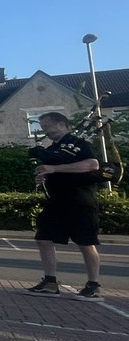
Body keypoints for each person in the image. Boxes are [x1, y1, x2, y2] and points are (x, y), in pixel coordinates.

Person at [26, 111, 104, 301]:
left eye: (46, 126)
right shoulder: (53, 149)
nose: (44, 131)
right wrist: (43, 176)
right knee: (43, 238)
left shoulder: (79, 144)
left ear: (60, 124)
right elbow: (52, 171)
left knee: (86, 243)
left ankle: (93, 285)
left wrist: (55, 168)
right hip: (57, 201)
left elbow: (92, 165)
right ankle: (50, 281)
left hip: (80, 201)